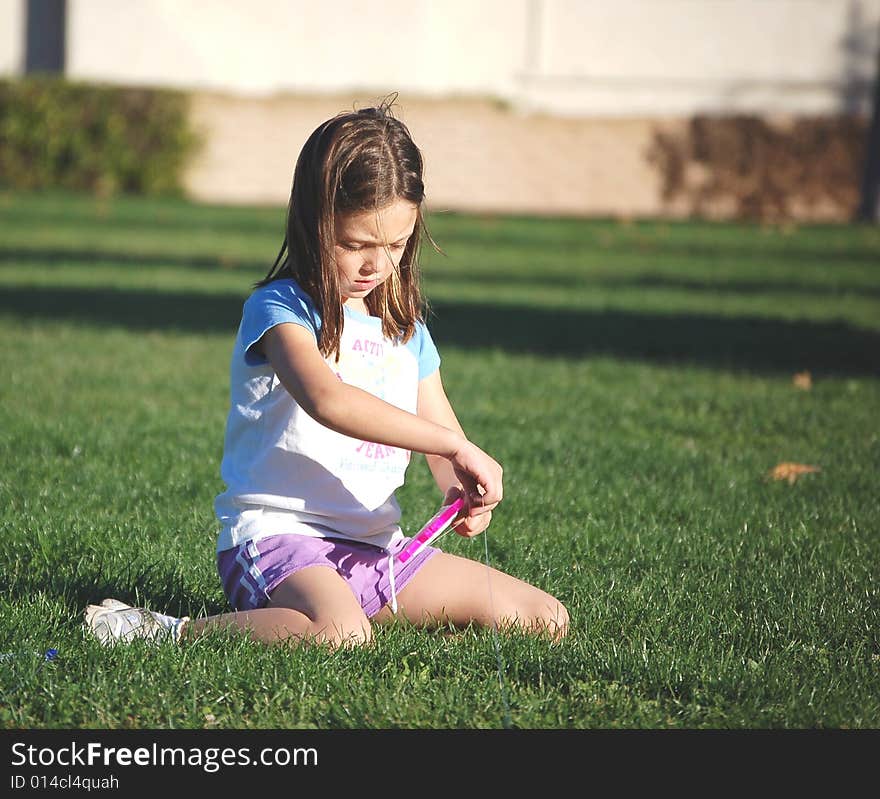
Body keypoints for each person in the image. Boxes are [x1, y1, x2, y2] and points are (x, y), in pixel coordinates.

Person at [84, 97, 569, 649]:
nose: (377, 265)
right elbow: (328, 400)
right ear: (314, 224)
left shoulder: (405, 329)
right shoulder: (278, 311)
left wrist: (464, 486)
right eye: (356, 244)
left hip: (377, 550)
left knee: (543, 618)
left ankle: (354, 608)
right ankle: (162, 632)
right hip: (276, 541)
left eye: (396, 244)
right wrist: (453, 447)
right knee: (340, 633)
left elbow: (442, 447)